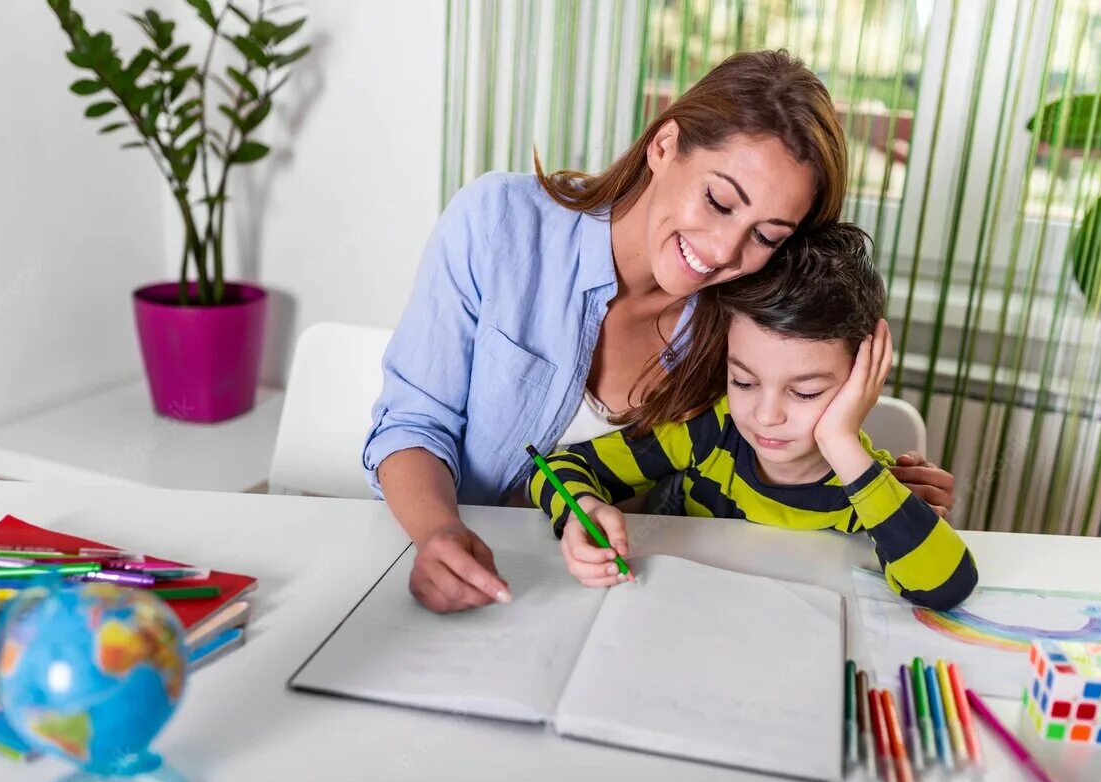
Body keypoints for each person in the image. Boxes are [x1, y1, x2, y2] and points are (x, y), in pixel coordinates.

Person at [365, 50, 957, 613]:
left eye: (768, 235)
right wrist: (438, 533)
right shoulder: (499, 224)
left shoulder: (745, 314)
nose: (725, 250)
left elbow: (769, 452)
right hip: (463, 563)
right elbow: (414, 423)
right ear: (664, 145)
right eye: (719, 201)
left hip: (630, 595)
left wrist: (868, 481)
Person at [530, 224, 977, 610]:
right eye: (743, 381)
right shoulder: (708, 431)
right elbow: (555, 467)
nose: (765, 415)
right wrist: (581, 510)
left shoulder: (863, 488)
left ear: (865, 377)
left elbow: (946, 587)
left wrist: (843, 444)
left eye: (805, 392)